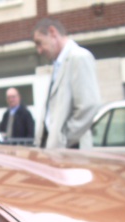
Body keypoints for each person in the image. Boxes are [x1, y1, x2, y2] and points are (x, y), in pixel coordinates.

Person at [33, 18, 102, 149]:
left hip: (70, 151)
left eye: (39, 43)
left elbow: (89, 106)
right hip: (58, 151)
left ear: (52, 32)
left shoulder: (79, 57)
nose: (39, 50)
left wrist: (63, 138)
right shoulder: (59, 63)